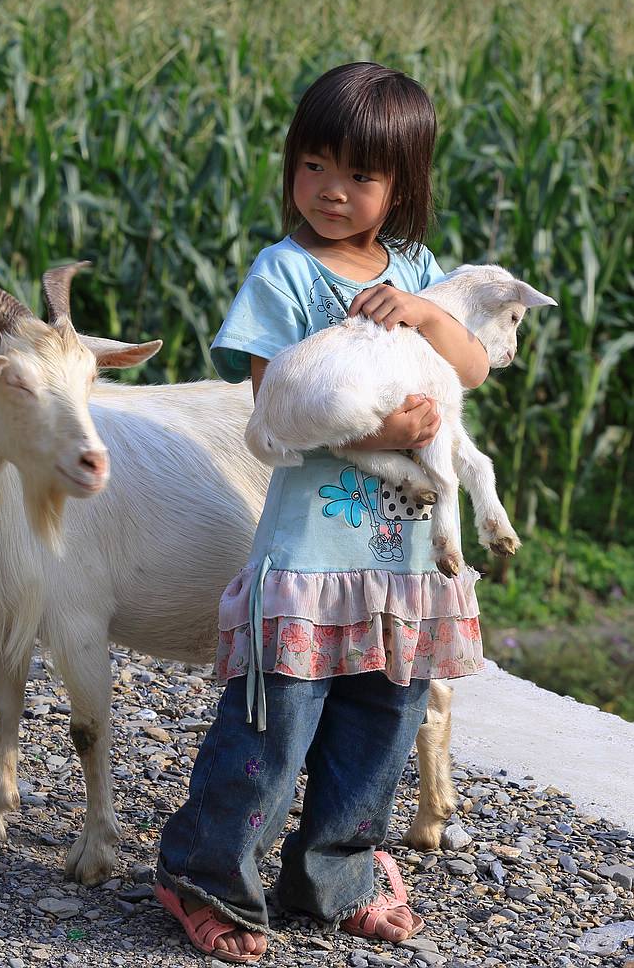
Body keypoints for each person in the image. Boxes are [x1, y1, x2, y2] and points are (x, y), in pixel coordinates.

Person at [154, 62, 489, 964]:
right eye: (313, 166)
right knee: (275, 719)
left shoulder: (414, 272)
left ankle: (332, 872)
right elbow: (272, 408)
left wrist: (424, 311)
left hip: (405, 557)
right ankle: (205, 872)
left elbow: (469, 367)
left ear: (401, 187)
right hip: (309, 550)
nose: (331, 191)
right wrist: (378, 428)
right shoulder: (285, 273)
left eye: (360, 176)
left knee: (381, 718)